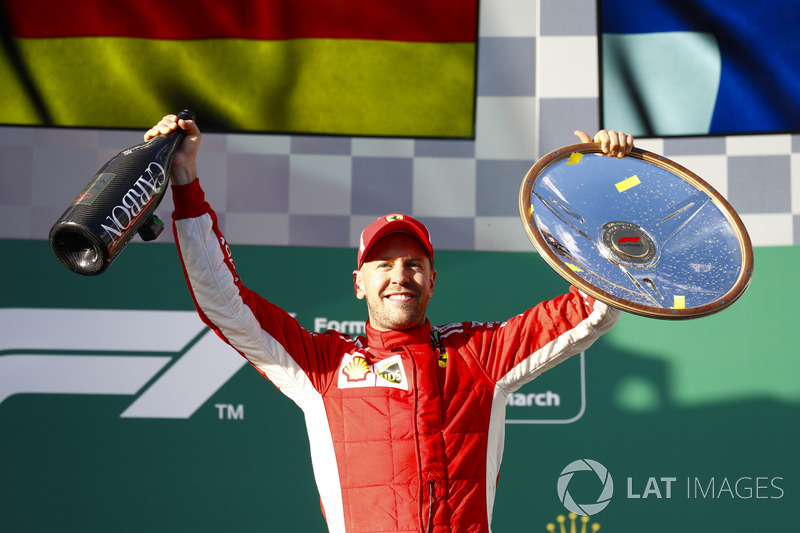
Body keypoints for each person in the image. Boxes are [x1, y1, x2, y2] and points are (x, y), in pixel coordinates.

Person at [145, 115, 633, 533]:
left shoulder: (479, 355)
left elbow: (592, 309)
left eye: (413, 264)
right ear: (359, 282)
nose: (401, 276)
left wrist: (608, 196)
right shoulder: (324, 366)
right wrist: (186, 181)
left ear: (433, 280)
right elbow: (224, 302)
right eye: (384, 264)